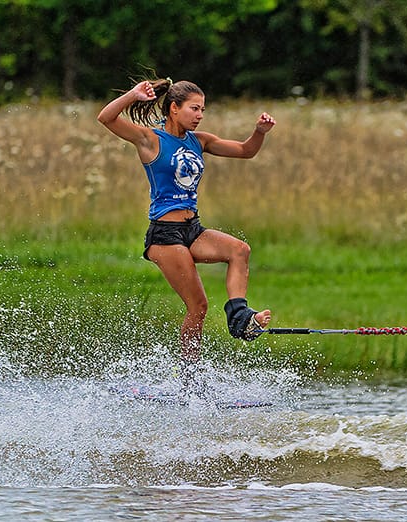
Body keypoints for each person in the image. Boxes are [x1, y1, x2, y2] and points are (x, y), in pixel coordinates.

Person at [97, 77, 274, 372]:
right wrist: (133, 94)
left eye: (202, 109)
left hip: (193, 229)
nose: (200, 115)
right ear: (174, 108)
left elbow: (246, 150)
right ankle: (190, 380)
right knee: (198, 306)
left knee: (239, 250)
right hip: (165, 236)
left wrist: (259, 132)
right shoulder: (149, 139)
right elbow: (106, 118)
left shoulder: (199, 141)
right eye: (194, 109)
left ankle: (241, 319)